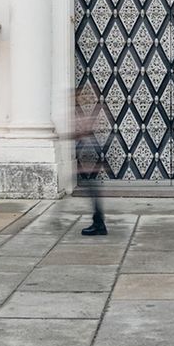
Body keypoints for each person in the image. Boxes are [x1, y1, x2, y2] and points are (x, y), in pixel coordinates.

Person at [74, 86, 107, 236]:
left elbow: (87, 131)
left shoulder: (90, 111)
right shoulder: (85, 110)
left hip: (89, 155)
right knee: (93, 192)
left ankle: (99, 223)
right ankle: (98, 222)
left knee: (93, 192)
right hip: (88, 154)